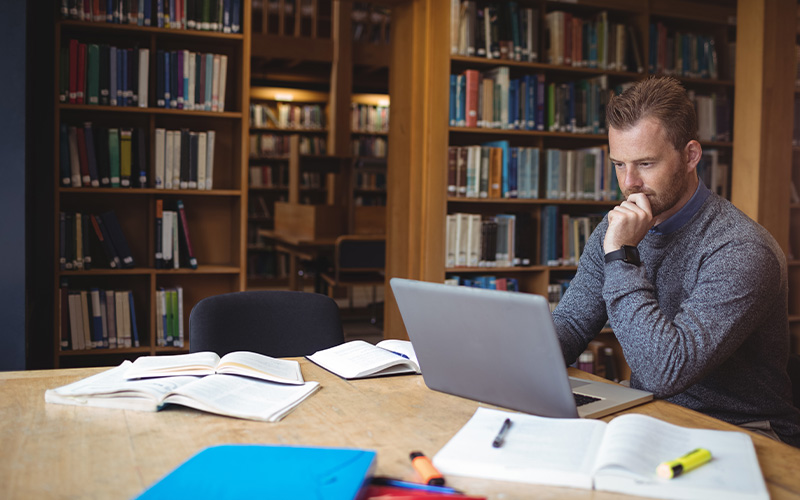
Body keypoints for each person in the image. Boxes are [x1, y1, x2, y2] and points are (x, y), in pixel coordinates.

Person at [552, 76, 800, 447]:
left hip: (741, 430)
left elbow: (663, 370)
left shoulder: (742, 249)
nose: (629, 183)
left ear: (690, 156)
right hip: (650, 412)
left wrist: (622, 256)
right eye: (619, 164)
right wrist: (508, 362)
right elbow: (572, 323)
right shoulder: (616, 226)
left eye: (646, 163)